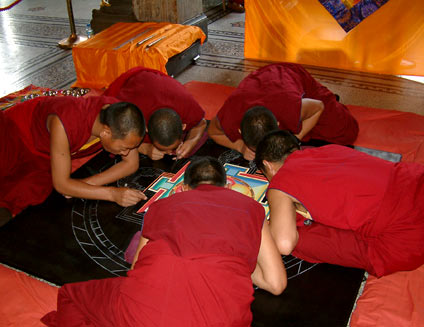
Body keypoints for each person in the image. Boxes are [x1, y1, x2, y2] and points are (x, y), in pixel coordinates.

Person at [41, 156, 287, 327]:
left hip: (144, 316)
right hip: (223, 320)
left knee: (72, 296)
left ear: (183, 187)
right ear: (227, 184)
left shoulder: (163, 206)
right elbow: (276, 284)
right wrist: (235, 258)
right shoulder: (251, 209)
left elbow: (136, 268)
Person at [254, 130, 424, 277]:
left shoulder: (280, 182)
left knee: (300, 239)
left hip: (410, 236)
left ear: (268, 165)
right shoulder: (329, 150)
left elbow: (284, 244)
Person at [0, 96, 147, 227]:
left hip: (45, 154)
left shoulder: (119, 119)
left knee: (37, 192)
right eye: (123, 148)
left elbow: (131, 164)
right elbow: (62, 185)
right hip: (17, 133)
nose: (126, 153)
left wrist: (86, 184)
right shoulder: (65, 122)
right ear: (106, 132)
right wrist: (112, 194)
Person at [208, 63, 359, 160]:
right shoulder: (232, 111)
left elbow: (318, 106)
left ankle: (328, 96)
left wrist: (296, 138)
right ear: (240, 130)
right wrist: (239, 146)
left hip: (291, 76)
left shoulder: (289, 108)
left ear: (278, 124)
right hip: (262, 78)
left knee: (347, 131)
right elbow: (213, 132)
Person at [104, 67, 207, 160]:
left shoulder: (185, 102)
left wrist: (191, 141)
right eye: (161, 148)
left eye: (173, 148)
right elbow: (110, 139)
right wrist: (145, 148)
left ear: (183, 125)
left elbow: (201, 122)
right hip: (136, 85)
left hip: (165, 89)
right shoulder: (129, 114)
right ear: (146, 129)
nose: (168, 153)